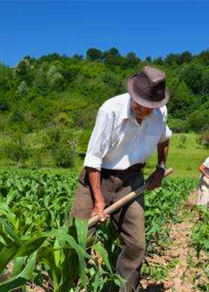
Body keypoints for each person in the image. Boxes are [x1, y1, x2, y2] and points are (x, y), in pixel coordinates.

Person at [71, 66, 172, 292]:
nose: (146, 111)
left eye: (151, 107)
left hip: (132, 180)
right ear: (133, 94)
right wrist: (98, 202)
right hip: (97, 178)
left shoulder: (160, 113)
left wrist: (160, 167)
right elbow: (93, 160)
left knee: (136, 245)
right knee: (79, 239)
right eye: (142, 104)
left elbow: (164, 138)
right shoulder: (111, 110)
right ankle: (63, 284)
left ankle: (125, 289)